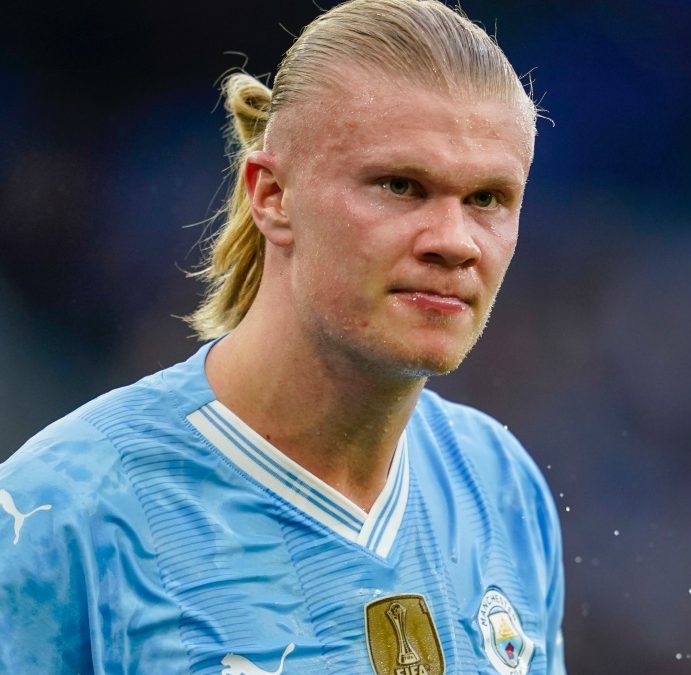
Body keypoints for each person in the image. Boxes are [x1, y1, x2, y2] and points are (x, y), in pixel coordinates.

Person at [0, 1, 564, 673]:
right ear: (272, 195)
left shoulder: (501, 485)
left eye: (488, 199)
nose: (455, 241)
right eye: (400, 185)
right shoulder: (60, 514)